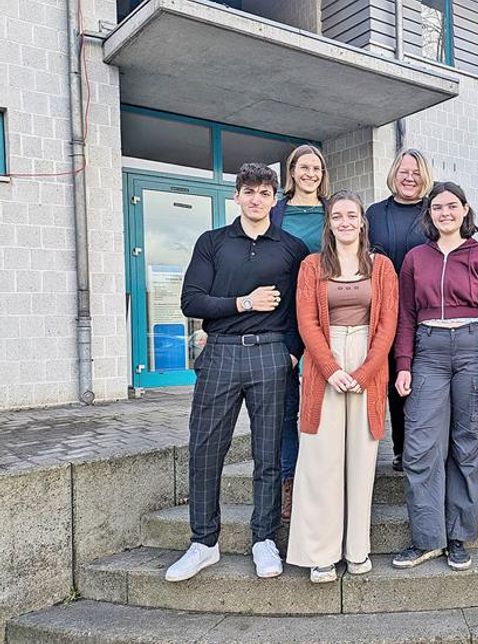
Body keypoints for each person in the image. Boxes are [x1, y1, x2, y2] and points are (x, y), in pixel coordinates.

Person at [166, 163, 308, 582]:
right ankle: (203, 542)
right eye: (249, 191)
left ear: (274, 198)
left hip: (271, 355)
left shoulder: (291, 247)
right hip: (222, 353)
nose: (256, 199)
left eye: (265, 192)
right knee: (206, 450)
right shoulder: (212, 243)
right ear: (237, 196)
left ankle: (264, 539)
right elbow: (192, 301)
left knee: (268, 454)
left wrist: (293, 353)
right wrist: (244, 303)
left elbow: (304, 307)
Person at [286, 191, 398, 583]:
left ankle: (356, 550)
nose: (346, 222)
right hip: (324, 363)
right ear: (329, 223)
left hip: (368, 359)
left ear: (363, 222)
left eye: (352, 215)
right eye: (338, 216)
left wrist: (366, 372)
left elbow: (388, 325)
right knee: (321, 459)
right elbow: (306, 321)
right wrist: (330, 369)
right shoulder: (311, 265)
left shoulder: (381, 266)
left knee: (361, 460)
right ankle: (321, 553)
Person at [392, 182, 478, 571]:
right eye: (437, 207)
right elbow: (405, 315)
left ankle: (457, 535)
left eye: (452, 206)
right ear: (430, 214)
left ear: (465, 210)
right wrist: (403, 364)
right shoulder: (414, 259)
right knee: (420, 447)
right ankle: (426, 538)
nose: (445, 213)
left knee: (466, 446)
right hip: (429, 352)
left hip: (473, 350)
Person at [269, 144, 331, 524]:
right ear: (291, 171)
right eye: (303, 167)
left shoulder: (330, 212)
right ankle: (289, 484)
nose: (310, 173)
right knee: (284, 407)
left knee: (321, 407)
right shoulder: (277, 212)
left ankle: (320, 482)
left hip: (324, 320)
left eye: (317, 168)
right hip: (279, 318)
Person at [367, 149, 435, 472]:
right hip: (383, 308)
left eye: (416, 172)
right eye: (404, 171)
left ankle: (424, 444)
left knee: (423, 377)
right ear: (394, 173)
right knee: (395, 376)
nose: (410, 178)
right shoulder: (375, 213)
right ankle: (400, 447)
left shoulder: (434, 210)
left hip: (426, 308)